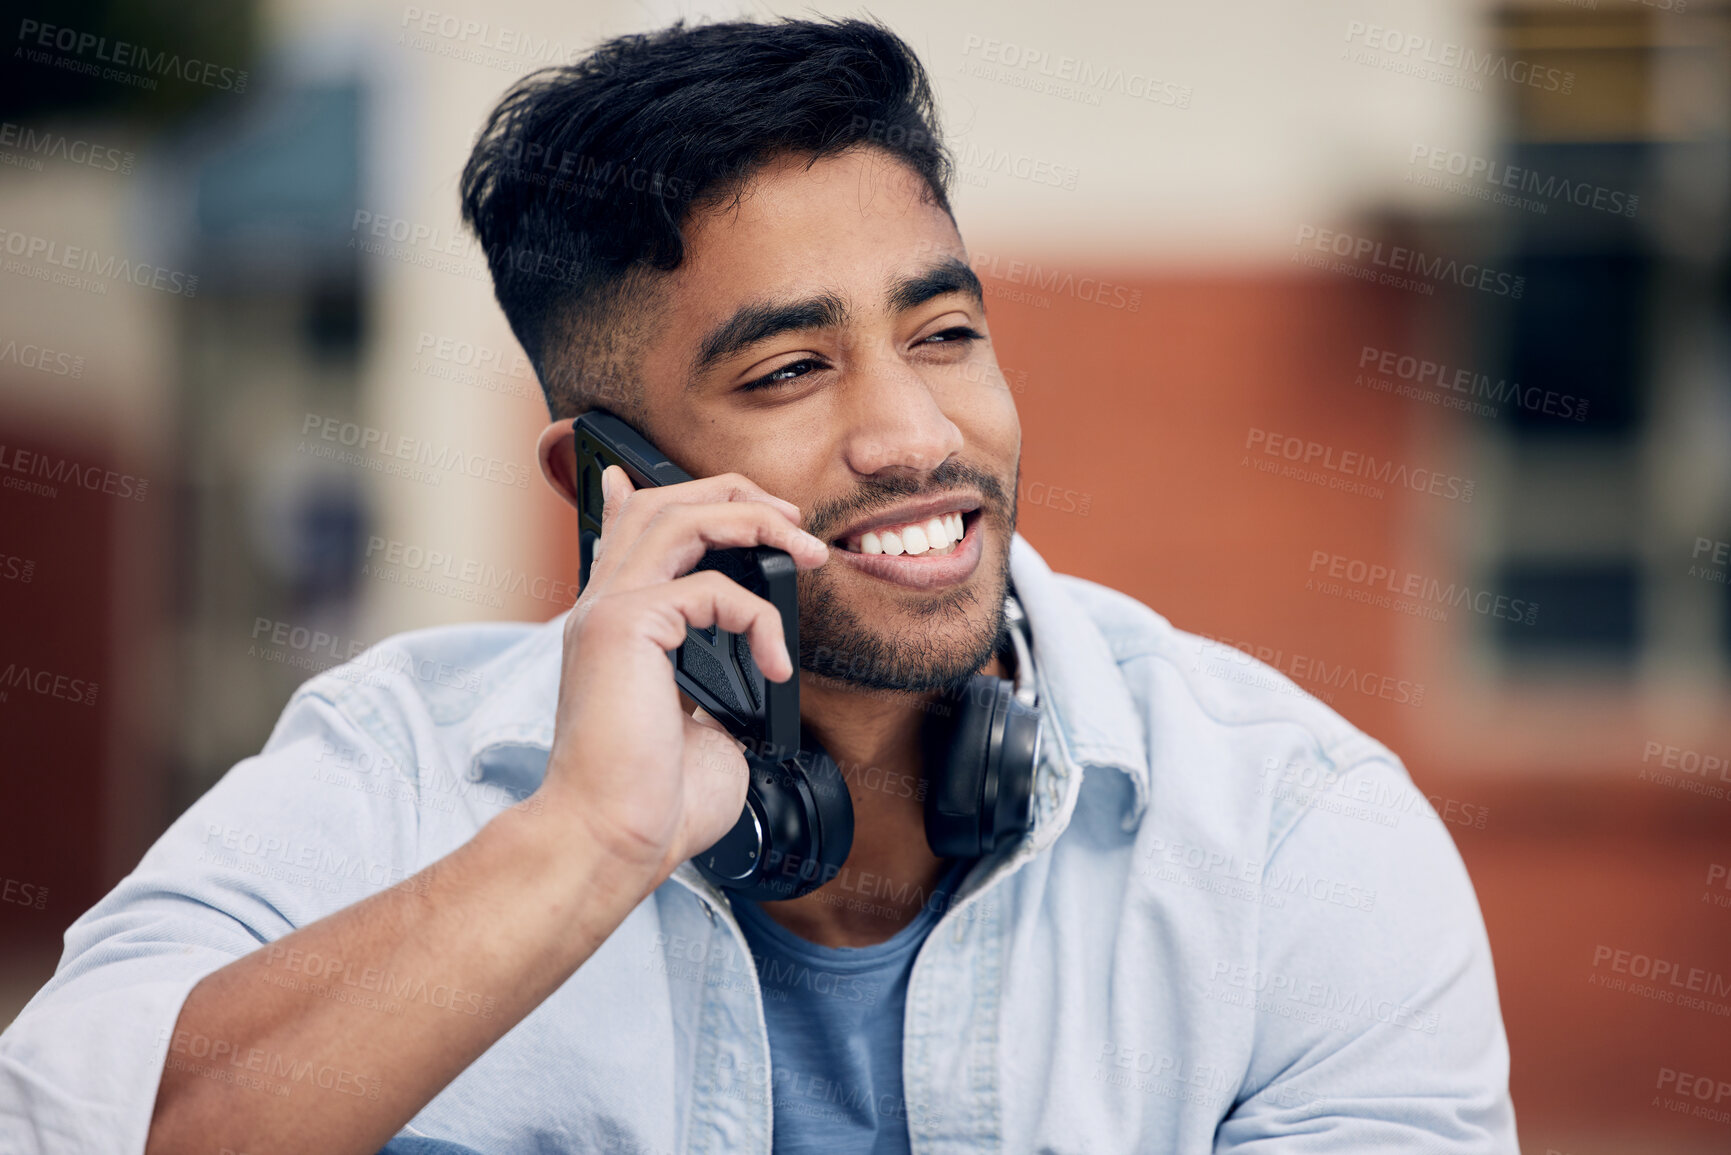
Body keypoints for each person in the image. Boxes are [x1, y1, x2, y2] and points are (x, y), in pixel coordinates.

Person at [0, 16, 1517, 1154]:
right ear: (611, 484)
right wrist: (582, 842)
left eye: (943, 335)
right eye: (793, 370)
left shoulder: (1295, 832)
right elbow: (78, 1126)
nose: (917, 436)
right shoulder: (397, 768)